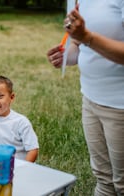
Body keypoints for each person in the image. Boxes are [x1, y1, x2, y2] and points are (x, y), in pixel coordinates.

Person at [46, 1, 124, 195]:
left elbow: (87, 38)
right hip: (90, 98)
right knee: (103, 179)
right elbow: (77, 44)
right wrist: (66, 57)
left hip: (119, 105)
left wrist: (88, 37)